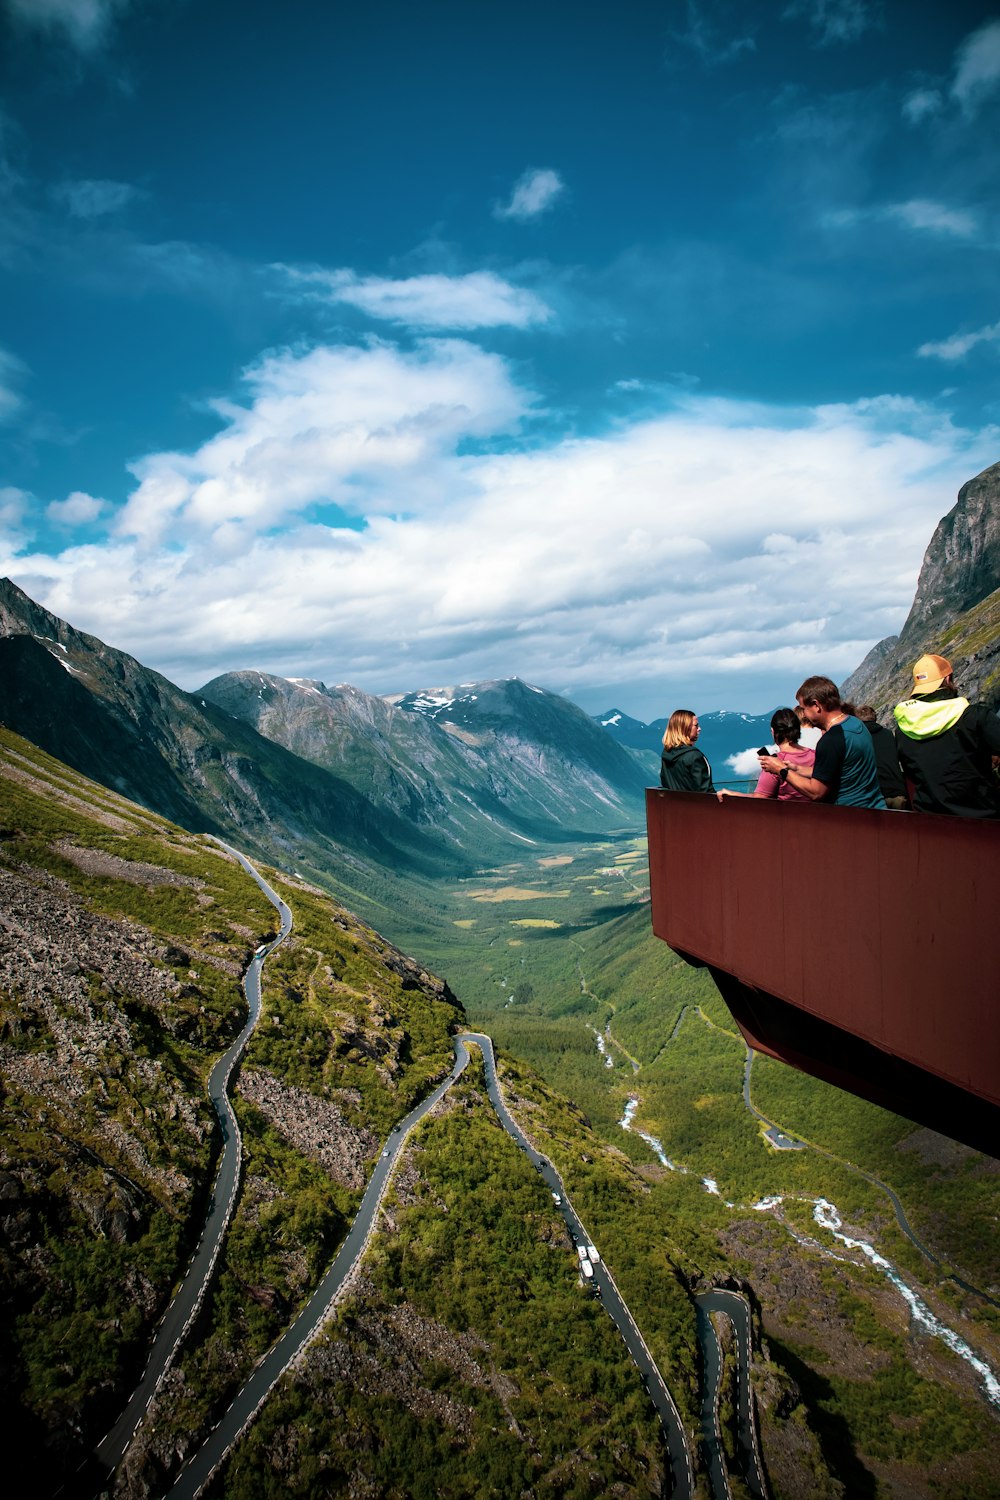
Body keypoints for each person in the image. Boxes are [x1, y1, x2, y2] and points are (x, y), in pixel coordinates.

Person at [892, 654, 1000, 818]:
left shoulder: (903, 728)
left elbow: (911, 772)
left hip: (930, 822)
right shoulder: (976, 716)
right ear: (948, 679)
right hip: (983, 820)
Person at [759, 676, 885, 809]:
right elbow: (837, 771)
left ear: (816, 705)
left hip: (850, 818)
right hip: (876, 809)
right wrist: (797, 769)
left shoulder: (831, 740)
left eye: (804, 709)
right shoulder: (856, 723)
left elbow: (816, 792)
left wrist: (781, 770)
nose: (805, 715)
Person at [717, 707, 815, 802]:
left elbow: (760, 799)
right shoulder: (815, 755)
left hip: (786, 816)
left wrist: (733, 794)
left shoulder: (774, 763)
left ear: (773, 732)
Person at [856, 705, 908, 810]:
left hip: (874, 796)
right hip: (897, 791)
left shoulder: (857, 737)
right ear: (874, 717)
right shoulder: (888, 734)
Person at [660, 709, 715, 793]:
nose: (699, 729)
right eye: (696, 726)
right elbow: (707, 794)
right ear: (684, 728)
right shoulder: (695, 756)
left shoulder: (666, 754)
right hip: (696, 805)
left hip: (674, 805)